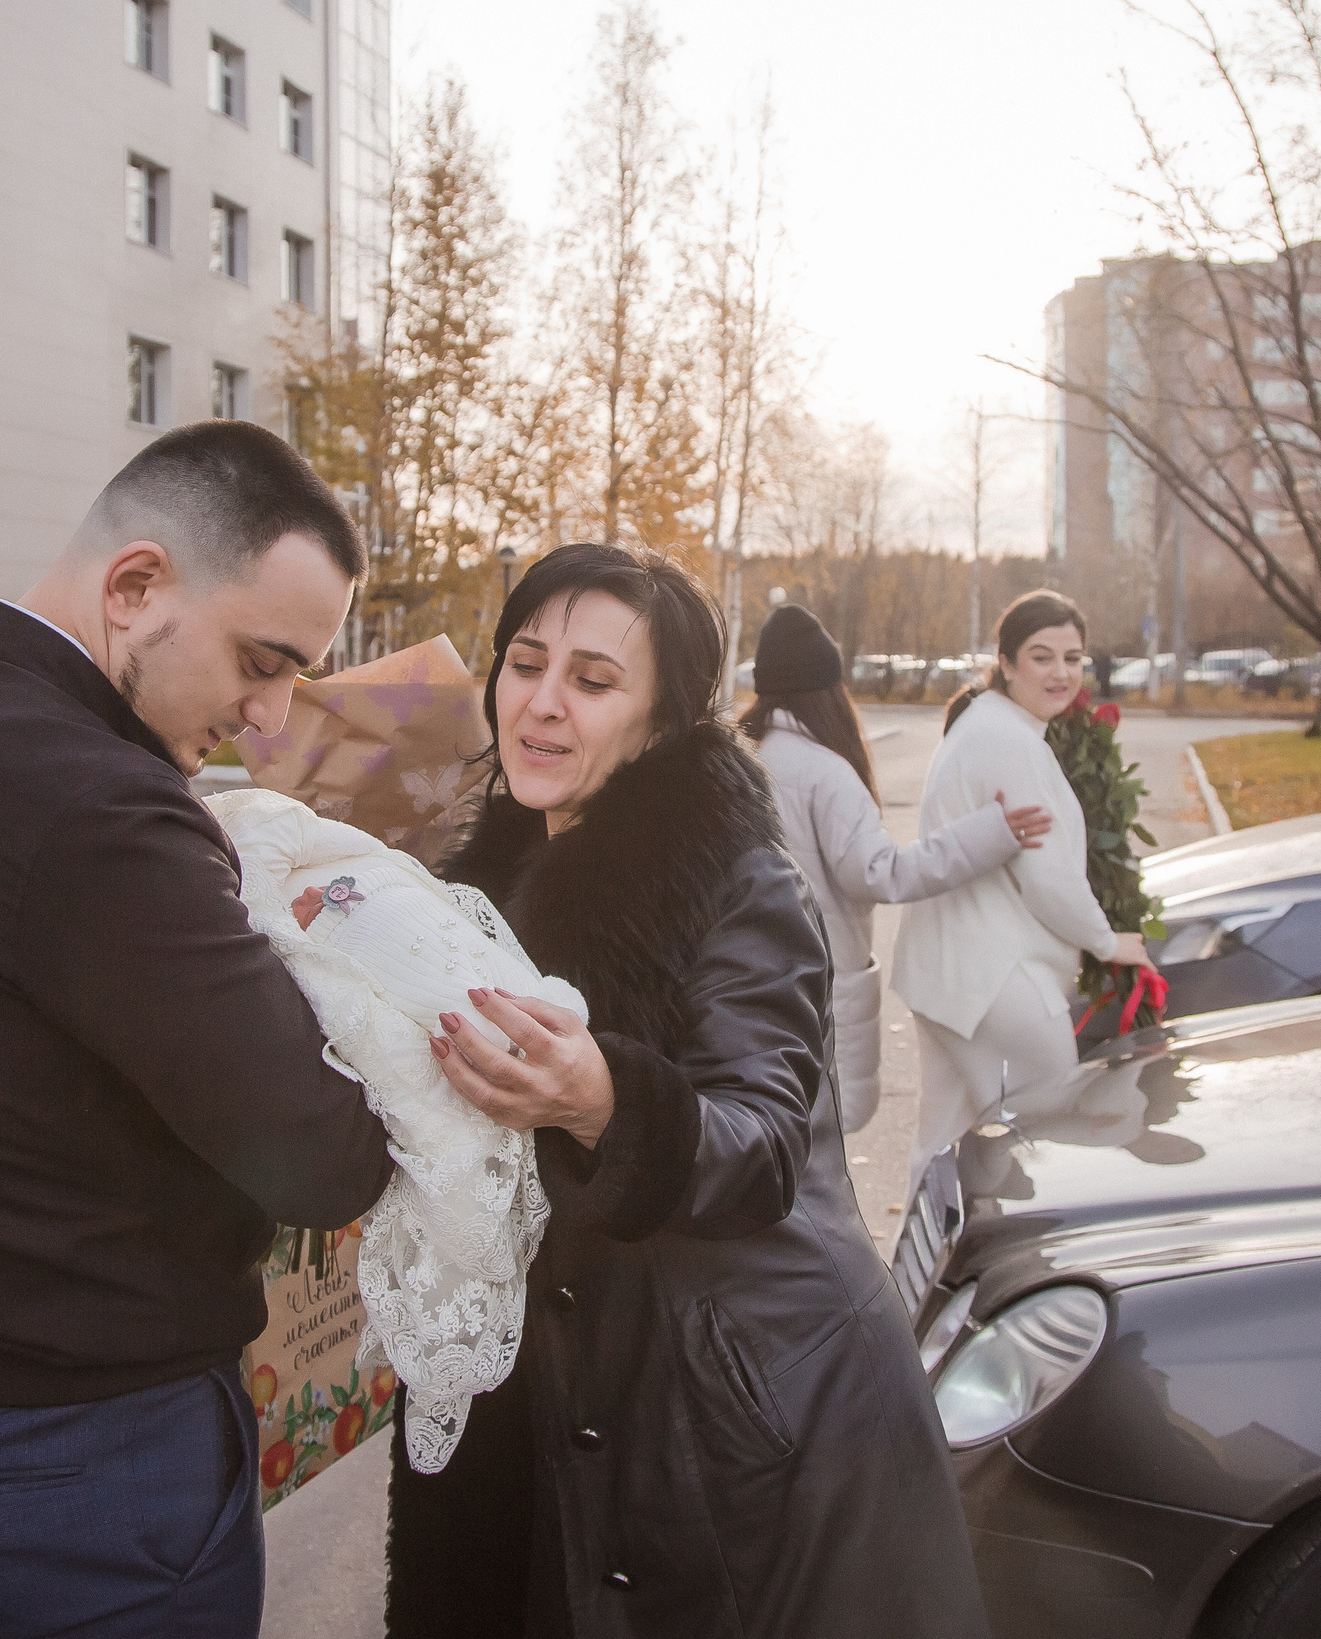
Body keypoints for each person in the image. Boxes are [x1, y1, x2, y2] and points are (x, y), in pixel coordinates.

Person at [0, 420, 396, 1638]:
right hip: (85, 1464)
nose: (270, 716)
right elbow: (326, 1153)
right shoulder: (97, 809)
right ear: (135, 586)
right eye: (261, 659)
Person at [387, 544, 991, 1639]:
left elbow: (760, 1142)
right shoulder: (485, 873)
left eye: (593, 681)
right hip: (548, 1390)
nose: (543, 704)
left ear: (662, 726)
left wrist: (604, 1099)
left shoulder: (735, 879)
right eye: (526, 664)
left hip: (734, 1408)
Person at [738, 602, 1050, 1131]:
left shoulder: (741, 759)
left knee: (762, 1136)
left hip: (745, 983)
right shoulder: (824, 771)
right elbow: (883, 873)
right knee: (816, 1146)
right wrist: (991, 831)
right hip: (818, 986)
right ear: (828, 690)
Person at [892, 590, 1151, 1192]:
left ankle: (912, 1279)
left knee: (940, 1142)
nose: (1060, 673)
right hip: (993, 981)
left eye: (1073, 658)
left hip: (951, 974)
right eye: (1042, 657)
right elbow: (1050, 880)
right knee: (1049, 1135)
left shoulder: (992, 725)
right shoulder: (1008, 741)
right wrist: (1109, 942)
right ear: (1006, 663)